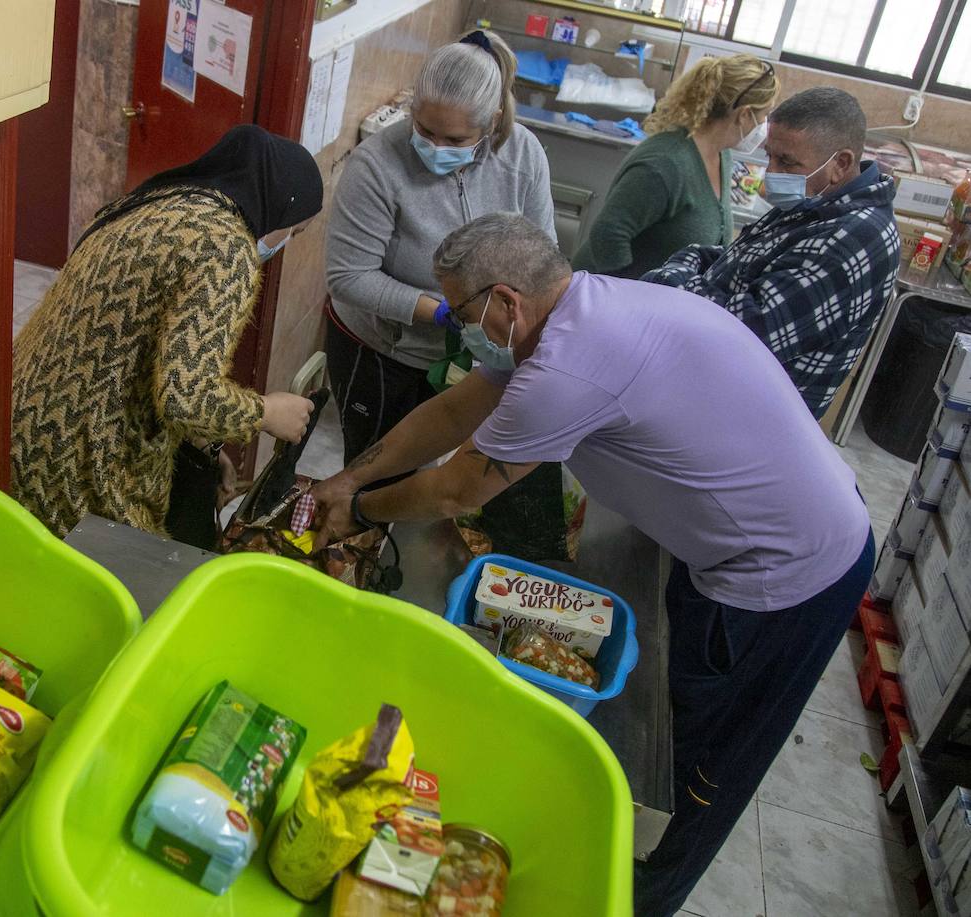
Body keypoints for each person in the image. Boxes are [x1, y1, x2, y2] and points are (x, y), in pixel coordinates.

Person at [311, 213, 874, 917]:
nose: (458, 326)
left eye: (462, 311)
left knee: (694, 769)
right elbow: (456, 410)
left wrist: (365, 512)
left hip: (787, 576)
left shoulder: (570, 365)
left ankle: (637, 897)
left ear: (507, 301)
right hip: (765, 536)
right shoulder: (586, 307)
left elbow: (459, 485)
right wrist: (350, 478)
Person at [11, 125, 322, 543]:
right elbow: (185, 397)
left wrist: (205, 443)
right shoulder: (226, 247)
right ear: (280, 207)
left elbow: (130, 344)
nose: (286, 241)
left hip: (22, 421)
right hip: (81, 460)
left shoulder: (155, 202)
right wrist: (266, 412)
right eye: (294, 230)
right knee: (120, 594)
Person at [325, 29, 555, 464]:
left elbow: (544, 258)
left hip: (478, 354)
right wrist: (442, 312)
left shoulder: (523, 157)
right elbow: (348, 277)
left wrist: (505, 329)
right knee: (374, 467)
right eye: (424, 130)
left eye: (453, 141)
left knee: (438, 464)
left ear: (489, 125)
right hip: (382, 351)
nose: (433, 148)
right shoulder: (377, 165)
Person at [642, 86, 900, 419]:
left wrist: (665, 282)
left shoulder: (853, 241)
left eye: (787, 162)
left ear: (841, 163)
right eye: (770, 156)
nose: (772, 173)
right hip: (711, 392)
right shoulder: (818, 200)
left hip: (744, 422)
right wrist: (687, 270)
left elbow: (732, 334)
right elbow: (726, 258)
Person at [571, 54, 778, 277]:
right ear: (744, 114)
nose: (764, 127)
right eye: (764, 115)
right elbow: (608, 234)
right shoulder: (665, 164)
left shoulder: (722, 155)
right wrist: (634, 295)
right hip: (606, 296)